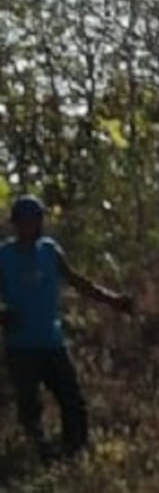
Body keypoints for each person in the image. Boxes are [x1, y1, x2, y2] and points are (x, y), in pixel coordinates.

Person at [0, 195, 134, 461]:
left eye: (38, 220)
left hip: (52, 341)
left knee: (72, 399)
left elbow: (78, 282)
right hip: (21, 346)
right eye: (27, 222)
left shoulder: (50, 250)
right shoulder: (4, 256)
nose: (34, 227)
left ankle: (76, 451)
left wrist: (114, 300)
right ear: (16, 224)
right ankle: (40, 456)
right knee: (29, 406)